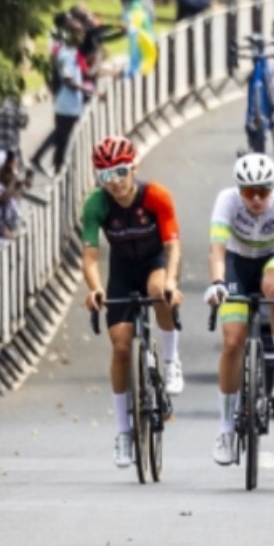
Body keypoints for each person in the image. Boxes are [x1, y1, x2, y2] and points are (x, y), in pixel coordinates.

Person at [79, 136, 184, 468]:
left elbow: (173, 246)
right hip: (122, 271)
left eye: (121, 172)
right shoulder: (97, 204)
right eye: (105, 175)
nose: (115, 182)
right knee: (122, 347)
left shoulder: (155, 195)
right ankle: (124, 432)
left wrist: (172, 281)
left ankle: (170, 360)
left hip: (155, 263)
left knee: (158, 290)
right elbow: (90, 257)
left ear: (134, 167)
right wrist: (96, 289)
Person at [203, 153, 274, 466]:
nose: (257, 199)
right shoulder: (226, 201)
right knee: (233, 341)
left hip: (273, 257)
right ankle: (225, 430)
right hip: (237, 261)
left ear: (273, 188)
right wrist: (217, 283)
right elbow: (217, 249)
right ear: (239, 190)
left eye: (263, 191)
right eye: (249, 192)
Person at [33, 22, 101, 175]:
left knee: (64, 140)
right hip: (66, 106)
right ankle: (58, 171)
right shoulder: (65, 55)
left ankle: (57, 168)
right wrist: (86, 89)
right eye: (78, 34)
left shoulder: (73, 53)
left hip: (73, 105)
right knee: (63, 141)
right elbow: (67, 79)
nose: (81, 37)